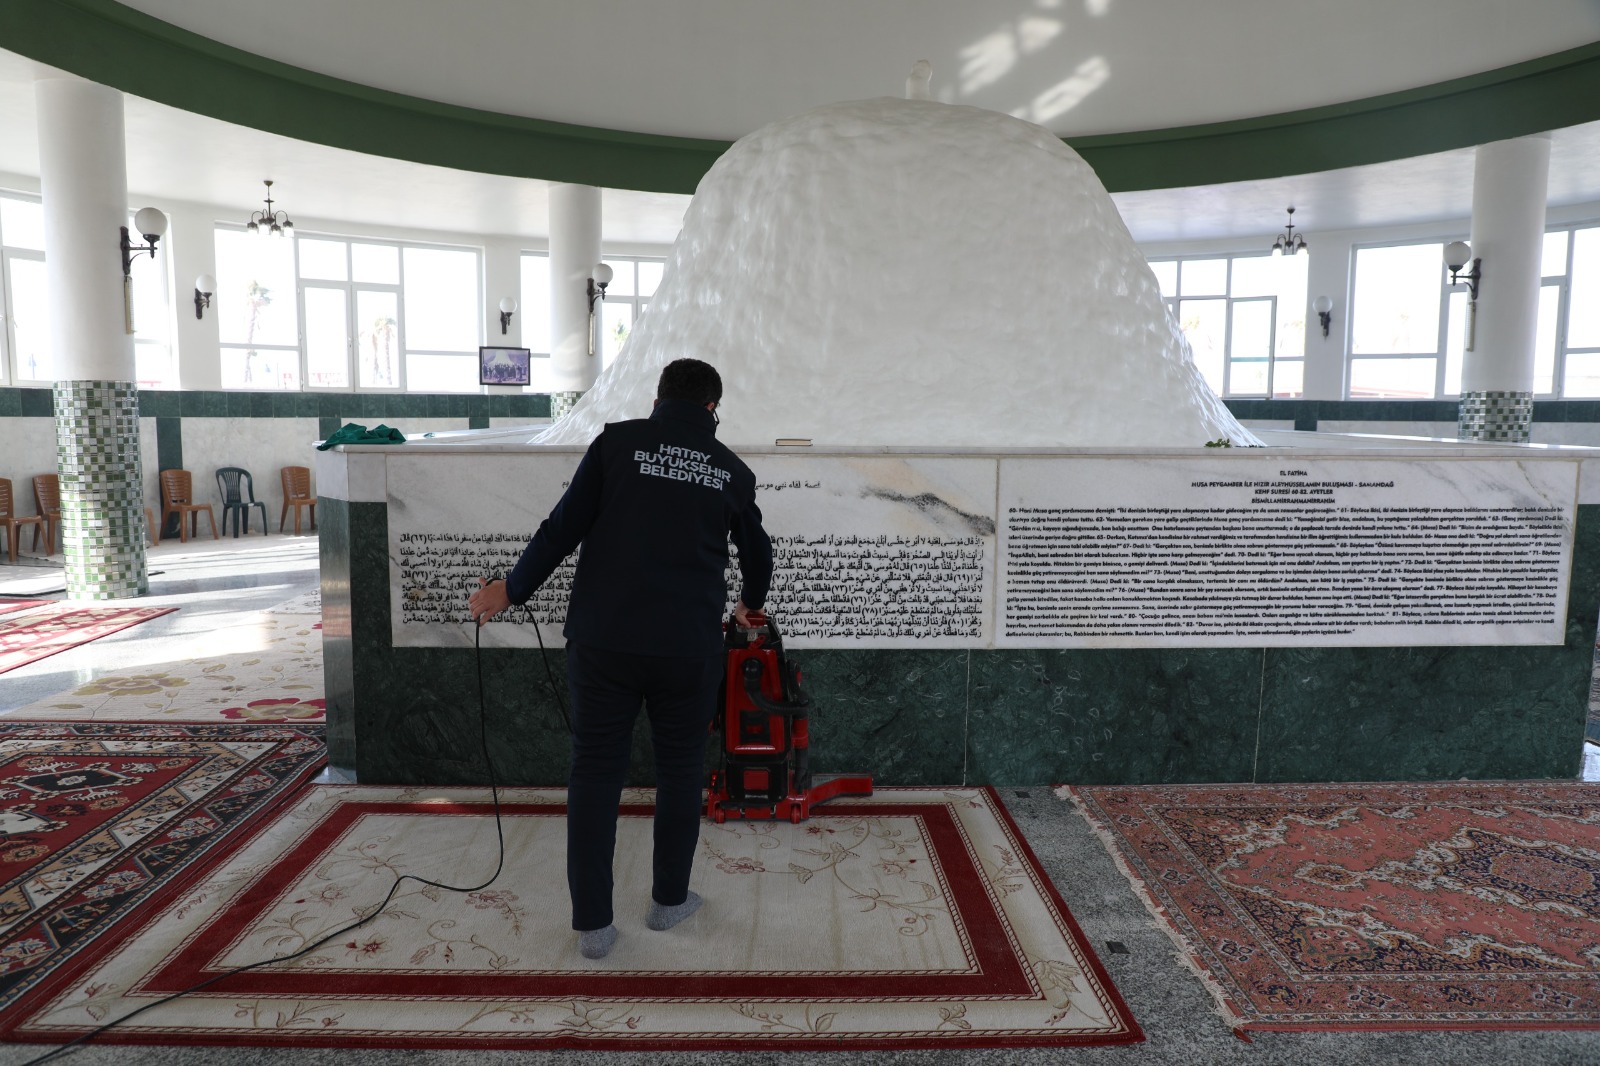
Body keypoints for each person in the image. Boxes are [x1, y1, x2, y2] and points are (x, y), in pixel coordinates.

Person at [468, 358, 772, 960]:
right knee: (680, 771)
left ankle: (594, 927)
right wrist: (750, 605)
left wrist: (511, 590)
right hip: (686, 648)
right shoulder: (731, 470)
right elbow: (758, 551)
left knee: (595, 772)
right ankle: (668, 903)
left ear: (657, 400)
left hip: (604, 641)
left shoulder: (617, 444)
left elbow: (562, 529)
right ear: (713, 409)